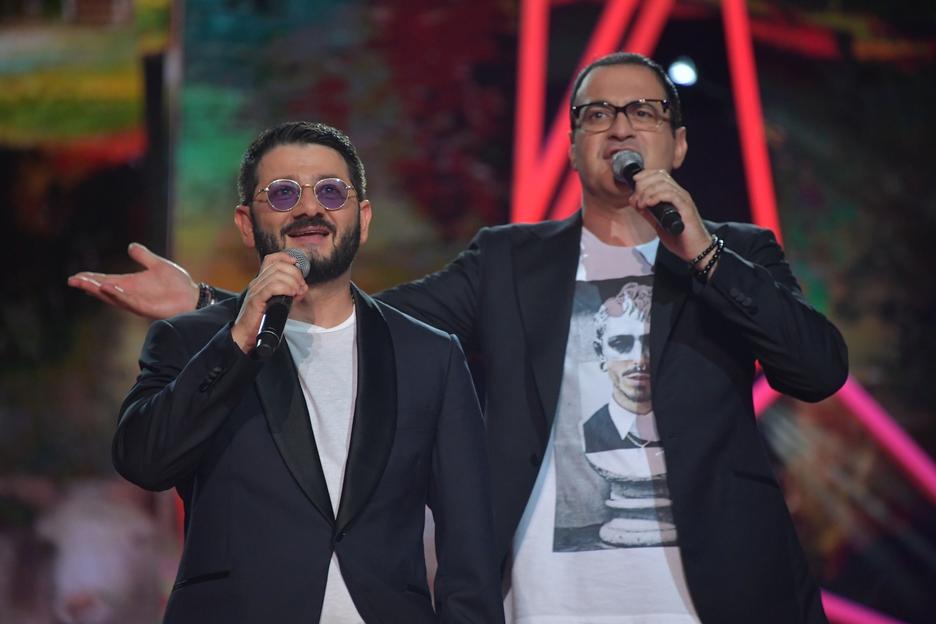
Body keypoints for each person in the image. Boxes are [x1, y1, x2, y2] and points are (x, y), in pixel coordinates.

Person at [71, 53, 848, 622]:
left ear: (676, 144)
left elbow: (816, 370)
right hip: (549, 602)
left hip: (720, 595)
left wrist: (702, 252)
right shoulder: (509, 262)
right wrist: (213, 304)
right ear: (574, 144)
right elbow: (363, 322)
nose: (618, 126)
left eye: (641, 111)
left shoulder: (739, 254)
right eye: (595, 113)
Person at [109, 121, 504, 623]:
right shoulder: (191, 342)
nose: (309, 208)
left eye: (331, 191)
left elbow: (470, 549)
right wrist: (237, 341)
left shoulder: (430, 356)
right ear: (246, 223)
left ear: (363, 219)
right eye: (283, 193)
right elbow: (143, 462)